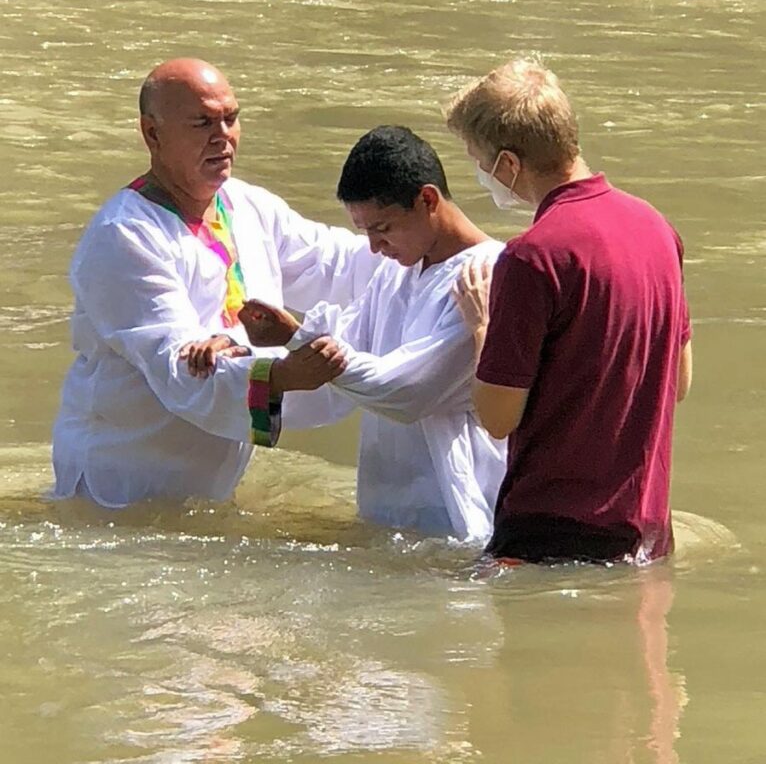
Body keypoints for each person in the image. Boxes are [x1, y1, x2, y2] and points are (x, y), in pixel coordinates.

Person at [51, 58, 379, 508]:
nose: (223, 135)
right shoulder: (124, 234)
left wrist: (444, 252)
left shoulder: (246, 205)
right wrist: (280, 375)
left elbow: (338, 264)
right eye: (203, 122)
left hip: (207, 484)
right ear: (152, 134)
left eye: (231, 118)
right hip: (119, 490)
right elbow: (180, 366)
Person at [446, 57, 692, 564]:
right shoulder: (656, 228)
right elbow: (680, 380)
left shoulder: (532, 257)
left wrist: (483, 327)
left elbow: (497, 416)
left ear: (508, 164)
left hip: (551, 533)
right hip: (646, 530)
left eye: (478, 158)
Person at [229, 126, 507, 542]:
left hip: (456, 515)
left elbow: (407, 391)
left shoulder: (486, 275)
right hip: (385, 509)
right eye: (366, 234)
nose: (376, 247)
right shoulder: (399, 269)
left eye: (383, 228)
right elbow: (348, 336)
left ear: (427, 200)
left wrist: (298, 339)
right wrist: (252, 342)